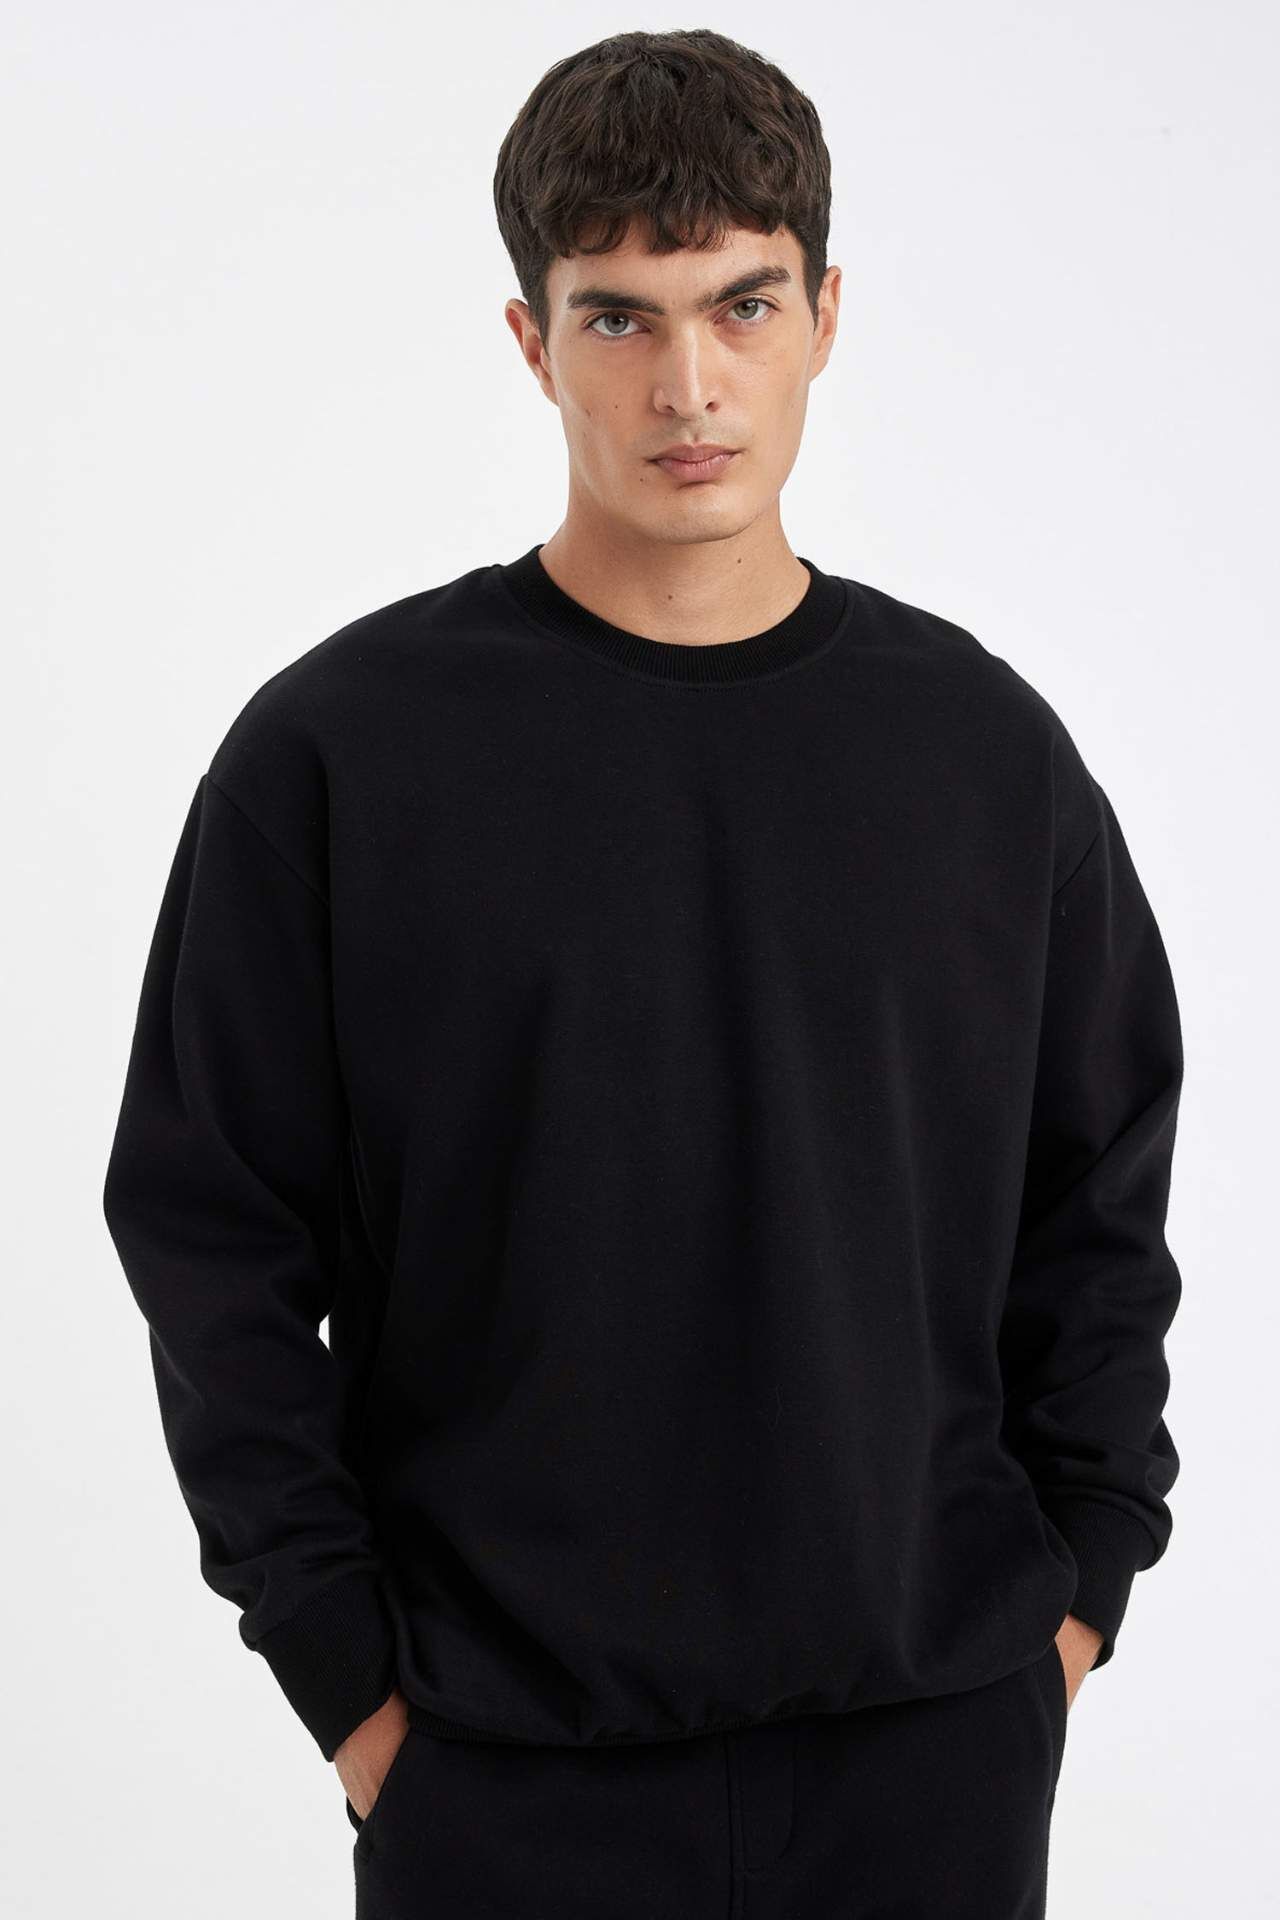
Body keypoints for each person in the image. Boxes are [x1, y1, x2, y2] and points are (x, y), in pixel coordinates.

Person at [101, 28, 1184, 1919]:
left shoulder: (984, 757)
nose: (690, 385)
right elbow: (211, 1234)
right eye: (619, 317)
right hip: (499, 1772)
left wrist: (1078, 1590)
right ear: (532, 342)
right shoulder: (342, 758)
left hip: (930, 1754)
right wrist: (350, 1682)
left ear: (825, 316)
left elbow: (1097, 1197)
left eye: (742, 303)